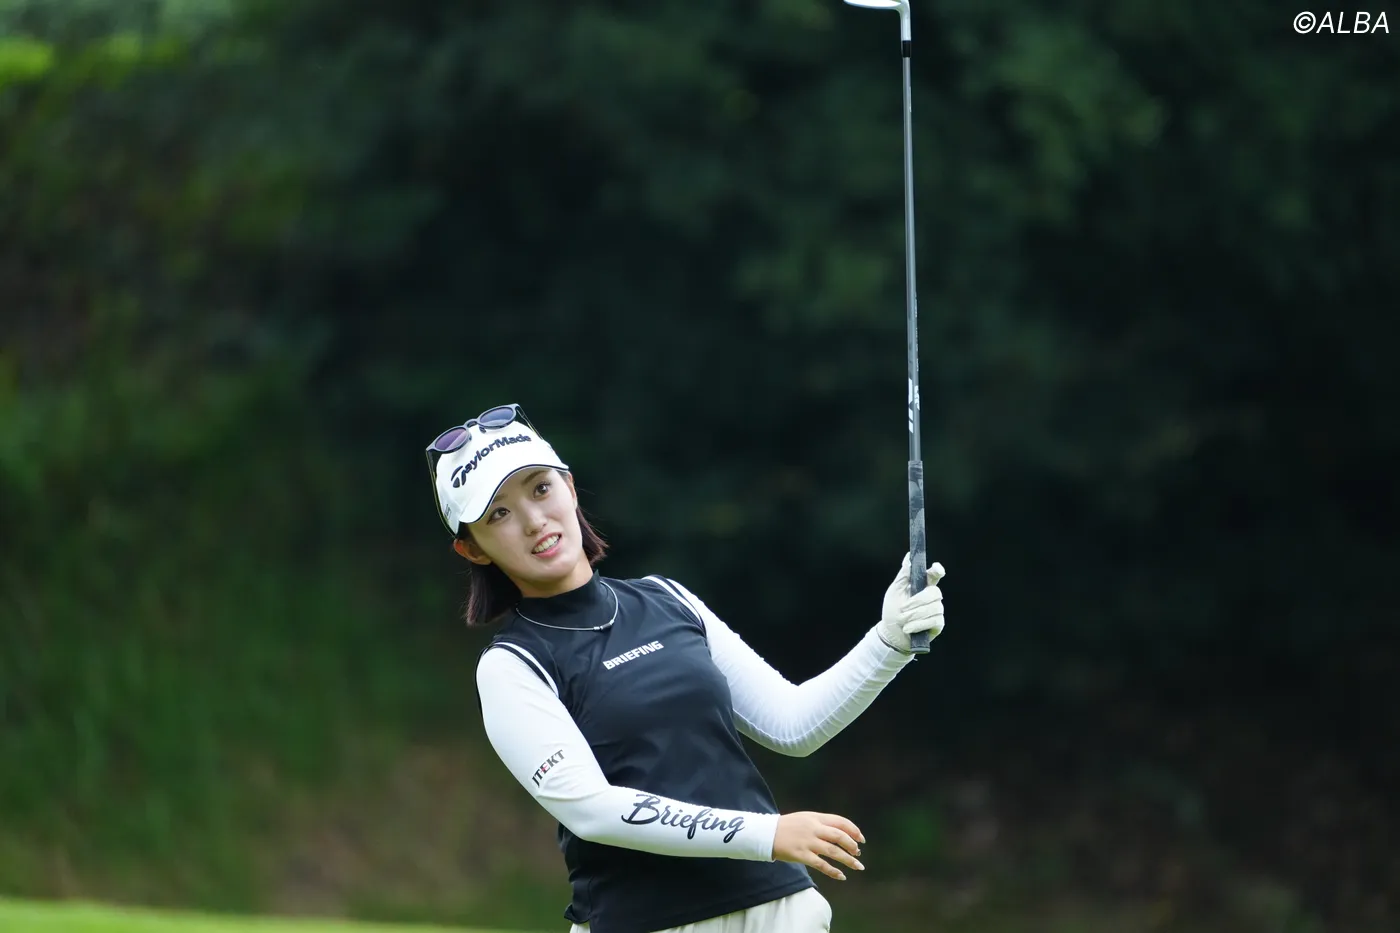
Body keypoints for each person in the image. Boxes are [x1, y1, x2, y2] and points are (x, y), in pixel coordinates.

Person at [424, 404, 948, 933]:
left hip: (778, 912)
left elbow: (792, 725)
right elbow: (592, 810)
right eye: (499, 514)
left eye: (540, 489)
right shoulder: (512, 666)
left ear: (570, 487)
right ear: (472, 549)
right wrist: (766, 835)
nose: (535, 521)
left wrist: (888, 642)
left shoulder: (668, 599)